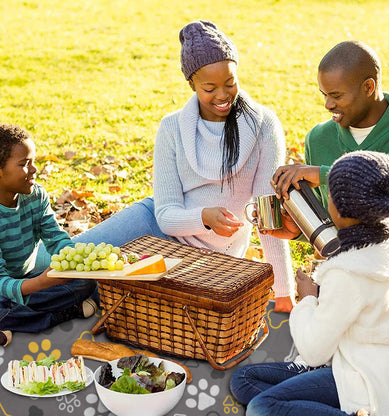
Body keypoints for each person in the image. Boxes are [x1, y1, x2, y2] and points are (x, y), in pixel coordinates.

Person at [36, 20, 294, 312]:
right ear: (191, 84)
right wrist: (204, 217)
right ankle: (12, 286)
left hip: (207, 257)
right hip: (157, 224)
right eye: (209, 88)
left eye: (230, 83)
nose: (222, 95)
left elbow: (267, 215)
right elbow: (167, 215)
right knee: (66, 261)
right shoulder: (172, 128)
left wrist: (284, 293)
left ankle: (70, 303)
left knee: (109, 292)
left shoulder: (263, 126)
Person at [230, 150, 389, 416]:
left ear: (339, 207)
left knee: (262, 406)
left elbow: (313, 351)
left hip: (362, 387)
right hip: (379, 371)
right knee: (243, 380)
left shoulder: (348, 273)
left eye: (329, 194)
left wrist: (308, 299)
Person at [267, 40, 389, 241]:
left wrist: (329, 176)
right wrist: (300, 231)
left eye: (336, 96)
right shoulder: (319, 138)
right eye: (324, 95)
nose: (328, 104)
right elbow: (331, 225)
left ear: (368, 87)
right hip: (348, 266)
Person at [0, 124, 98, 347]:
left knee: (86, 282)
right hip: (7, 287)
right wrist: (41, 283)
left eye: (33, 161)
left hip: (27, 279)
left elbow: (55, 238)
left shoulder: (36, 195)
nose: (34, 169)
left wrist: (76, 262)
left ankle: (13, 321)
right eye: (25, 164)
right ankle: (63, 313)